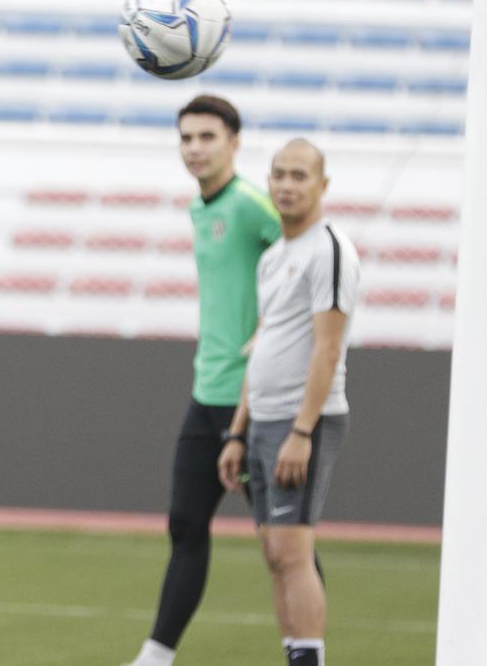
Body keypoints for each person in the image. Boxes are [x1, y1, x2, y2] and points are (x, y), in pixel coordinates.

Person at [128, 95, 282, 666]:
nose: (194, 147)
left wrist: (274, 331)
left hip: (257, 401)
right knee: (185, 525)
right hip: (207, 395)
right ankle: (156, 656)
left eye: (207, 136)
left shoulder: (250, 205)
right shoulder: (202, 207)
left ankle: (306, 652)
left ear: (234, 142)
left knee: (283, 545)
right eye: (186, 137)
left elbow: (307, 264)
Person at [218, 139, 359, 666]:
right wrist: (237, 430)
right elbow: (264, 343)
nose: (286, 184)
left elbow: (327, 349)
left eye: (299, 175)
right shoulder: (275, 256)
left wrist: (302, 431)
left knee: (295, 554)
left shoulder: (330, 248)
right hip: (263, 420)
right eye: (278, 174)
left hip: (303, 423)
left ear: (322, 185)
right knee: (275, 555)